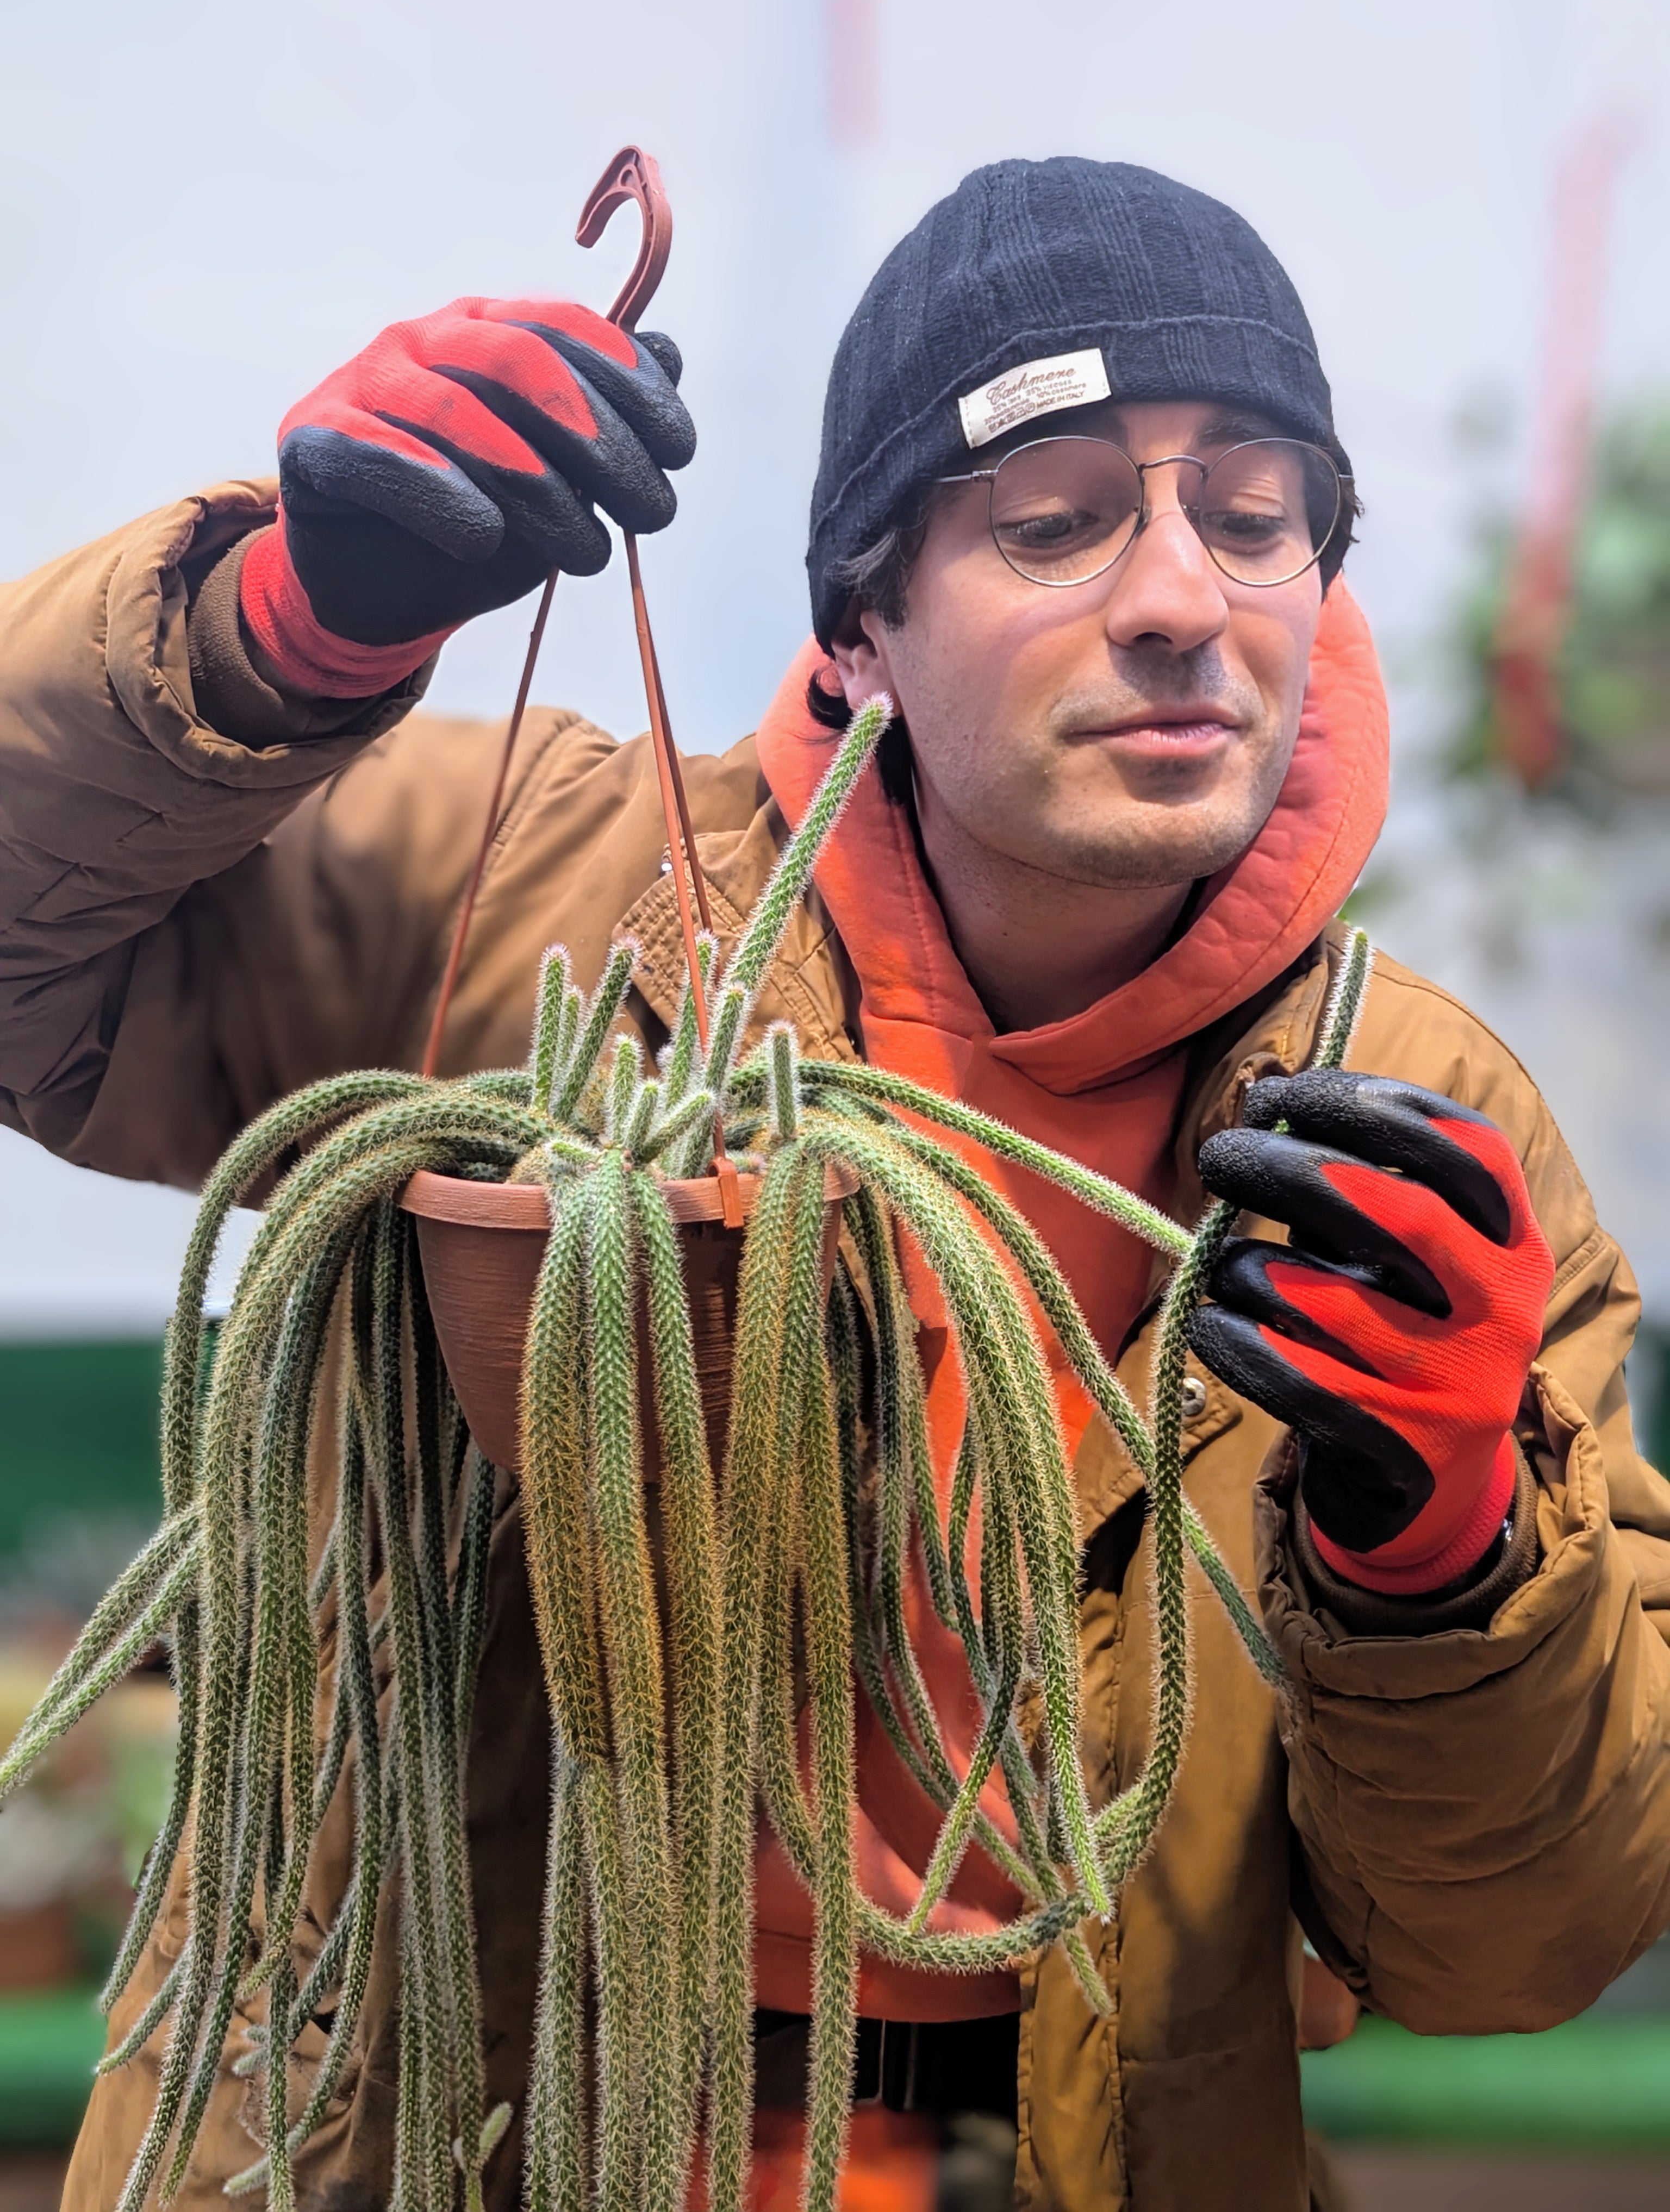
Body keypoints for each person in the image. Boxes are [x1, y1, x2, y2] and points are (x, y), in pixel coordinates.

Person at [4, 158, 1668, 2212]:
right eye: (1053, 523)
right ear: (864, 618)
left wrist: (1455, 1557)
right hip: (455, 2124)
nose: (1179, 599)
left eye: (1256, 520)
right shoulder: (538, 901)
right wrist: (272, 624)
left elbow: (1517, 1943)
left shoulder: (1411, 1126)